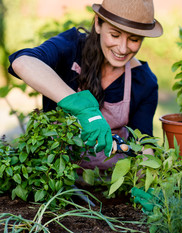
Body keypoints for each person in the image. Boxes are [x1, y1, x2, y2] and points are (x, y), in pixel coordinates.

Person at [8, 0, 163, 170]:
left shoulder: (143, 81)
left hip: (108, 186)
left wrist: (147, 185)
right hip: (56, 177)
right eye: (115, 35)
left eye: (134, 39)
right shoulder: (71, 47)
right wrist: (81, 107)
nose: (123, 48)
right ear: (98, 23)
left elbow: (144, 145)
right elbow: (23, 62)